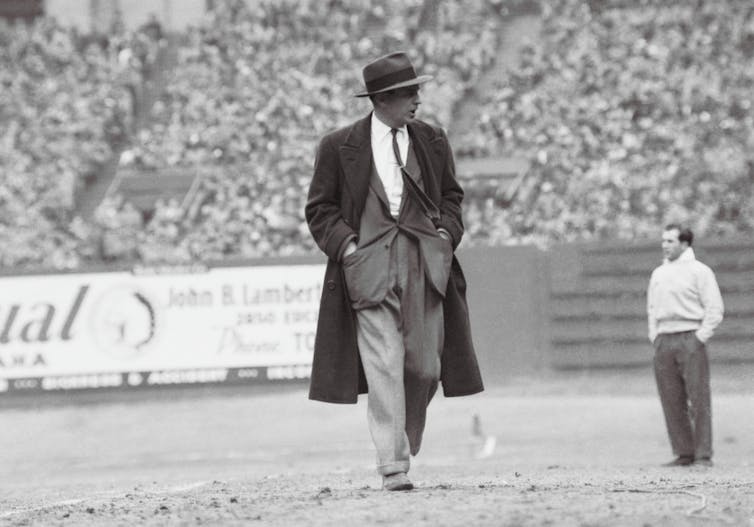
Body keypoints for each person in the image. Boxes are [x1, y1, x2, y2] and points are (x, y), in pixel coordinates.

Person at [305, 51, 483, 491]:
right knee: (384, 366)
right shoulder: (337, 145)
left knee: (424, 368)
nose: (417, 99)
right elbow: (320, 209)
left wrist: (445, 234)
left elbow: (451, 199)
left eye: (417, 91)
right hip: (367, 267)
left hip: (425, 264)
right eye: (409, 92)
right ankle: (393, 466)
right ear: (382, 99)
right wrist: (347, 247)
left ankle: (402, 436)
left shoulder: (434, 140)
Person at [647, 224, 724, 467]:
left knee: (698, 398)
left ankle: (703, 454)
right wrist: (655, 336)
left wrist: (700, 337)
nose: (665, 245)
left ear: (684, 244)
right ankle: (684, 452)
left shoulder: (700, 272)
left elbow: (715, 308)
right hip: (664, 339)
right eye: (664, 240)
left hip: (690, 336)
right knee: (671, 398)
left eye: (670, 241)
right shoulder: (658, 273)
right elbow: (652, 308)